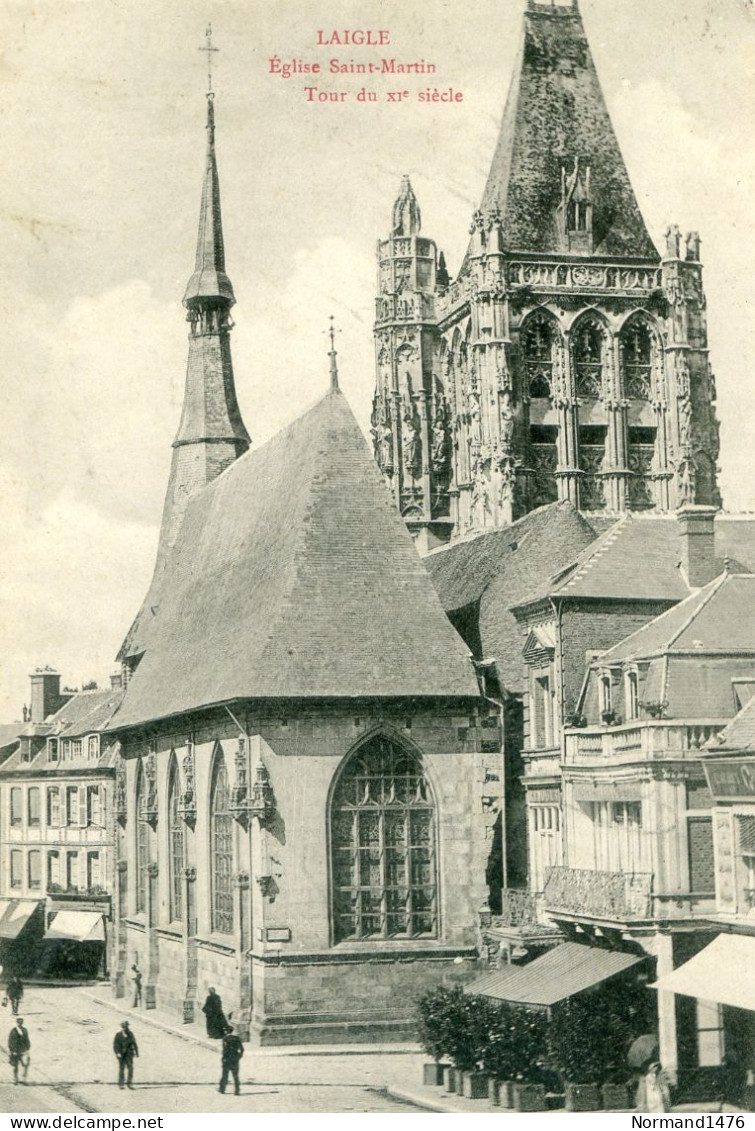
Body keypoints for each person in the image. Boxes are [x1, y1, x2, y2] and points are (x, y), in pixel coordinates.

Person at [218, 1025, 244, 1096]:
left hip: (227, 1060)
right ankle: (237, 1090)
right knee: (235, 1076)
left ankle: (222, 1089)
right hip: (235, 1059)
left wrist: (223, 1058)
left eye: (225, 1030)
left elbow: (225, 1050)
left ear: (226, 1031)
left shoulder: (225, 1039)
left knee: (225, 1075)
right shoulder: (237, 1038)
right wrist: (239, 1056)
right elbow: (242, 1049)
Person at [113, 1019, 139, 1090]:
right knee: (122, 1069)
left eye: (126, 1026)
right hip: (121, 1055)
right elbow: (116, 1045)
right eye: (124, 1026)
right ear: (122, 1027)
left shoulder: (130, 1034)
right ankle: (121, 1084)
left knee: (130, 1068)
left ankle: (129, 1083)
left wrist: (137, 1052)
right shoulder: (118, 1035)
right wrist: (117, 1053)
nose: (125, 1027)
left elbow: (134, 1043)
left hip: (129, 1054)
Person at [8, 1017, 30, 1085]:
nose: (20, 1024)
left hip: (23, 1050)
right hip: (15, 1050)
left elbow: (27, 1039)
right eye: (19, 1022)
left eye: (21, 1022)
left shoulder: (25, 1030)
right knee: (15, 1066)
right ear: (16, 1023)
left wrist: (27, 1048)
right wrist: (12, 1050)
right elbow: (10, 1041)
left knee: (25, 1064)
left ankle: (24, 1079)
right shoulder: (13, 1030)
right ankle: (15, 1079)